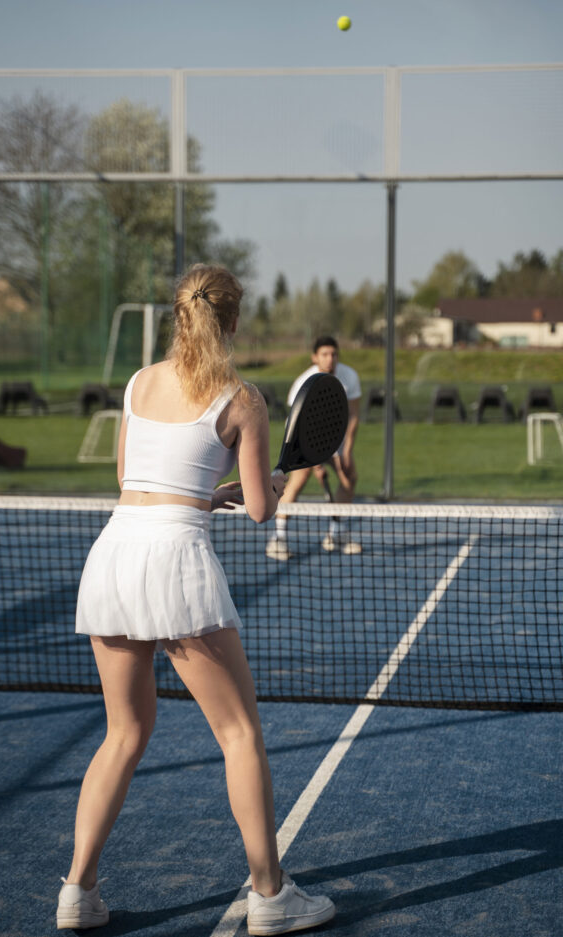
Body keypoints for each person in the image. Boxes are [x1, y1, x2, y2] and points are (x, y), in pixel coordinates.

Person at [56, 265, 335, 936]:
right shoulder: (242, 398)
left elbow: (135, 479)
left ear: (176, 317)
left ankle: (76, 891)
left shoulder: (137, 382)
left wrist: (217, 490)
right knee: (238, 733)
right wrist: (253, 484)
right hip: (174, 557)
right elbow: (265, 511)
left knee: (122, 733)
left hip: (115, 552)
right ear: (232, 321)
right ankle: (269, 896)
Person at [266, 336, 362, 561]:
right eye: (325, 354)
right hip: (305, 441)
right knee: (298, 481)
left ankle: (336, 533)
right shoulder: (303, 383)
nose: (330, 359)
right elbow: (298, 425)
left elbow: (354, 415)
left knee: (350, 478)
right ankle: (278, 538)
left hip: (335, 441)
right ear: (315, 357)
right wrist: (316, 463)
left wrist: (347, 450)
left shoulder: (349, 377)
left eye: (334, 354)